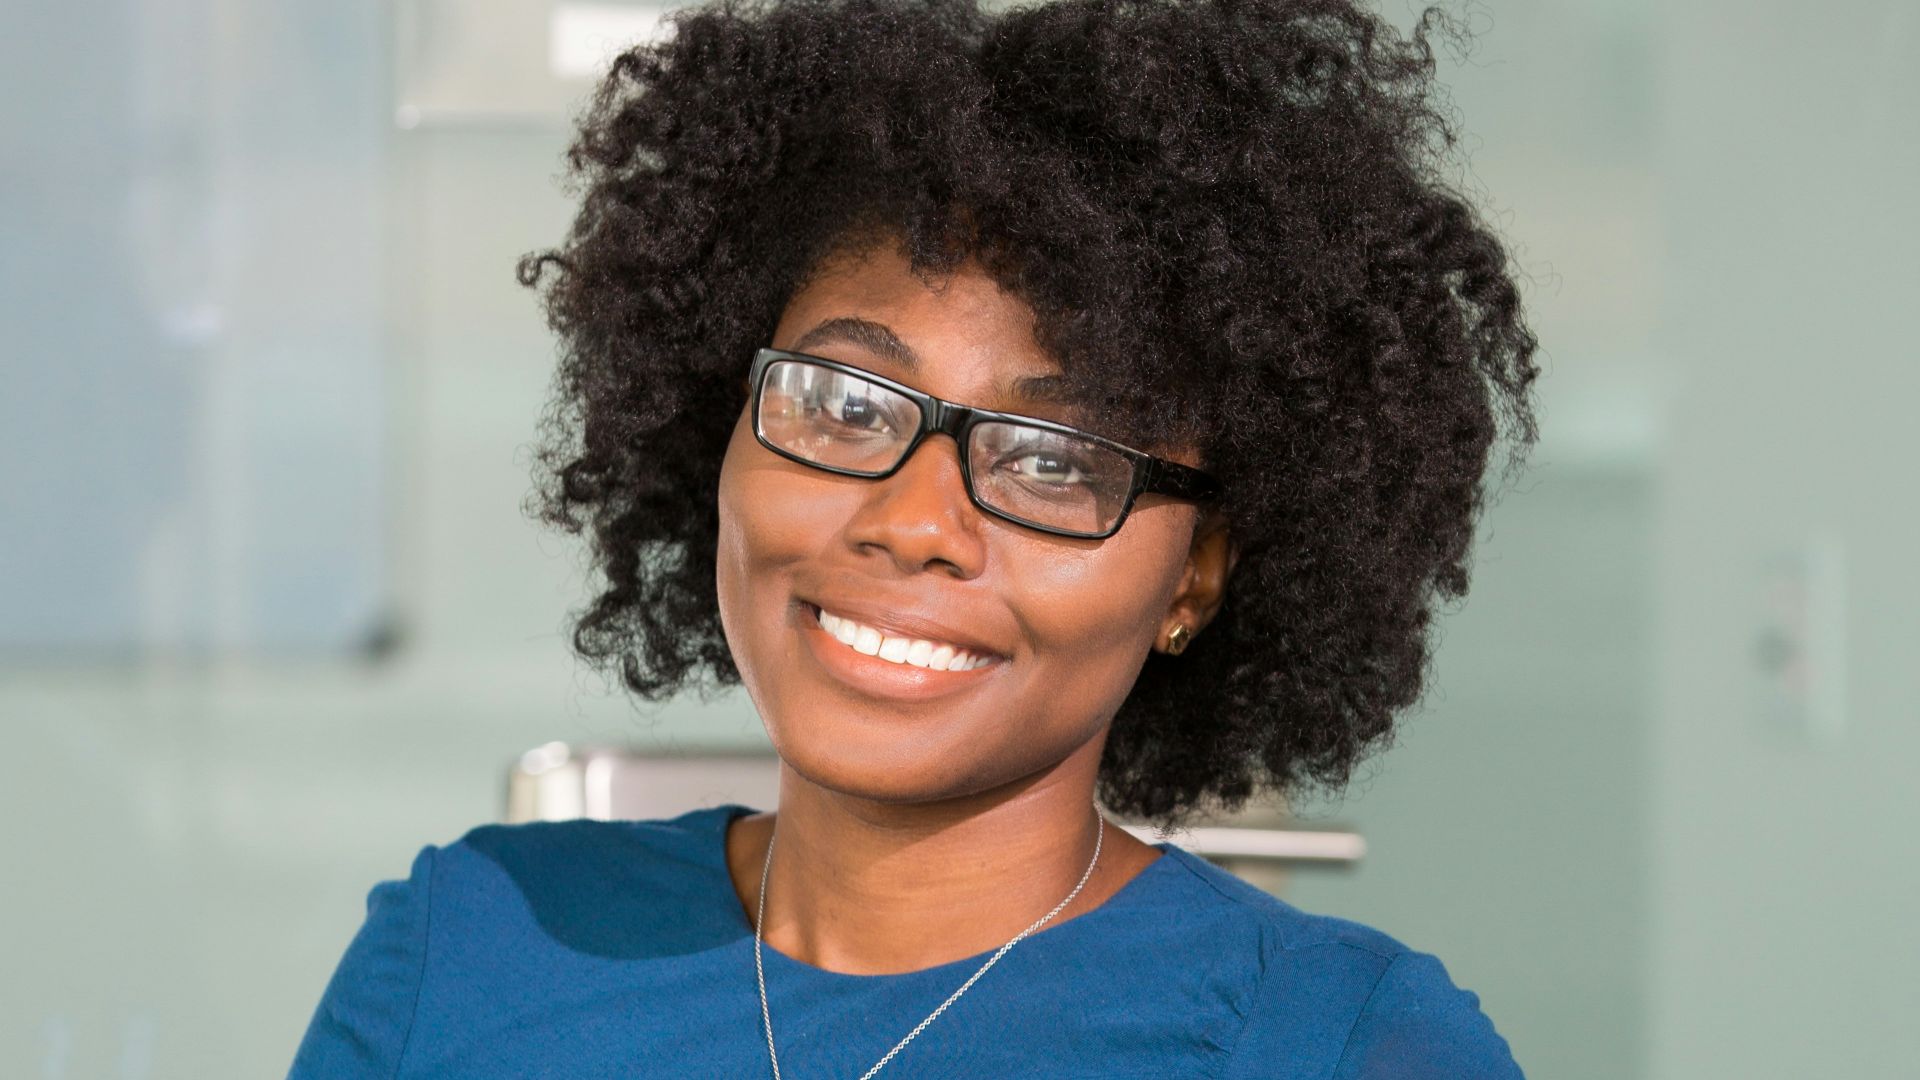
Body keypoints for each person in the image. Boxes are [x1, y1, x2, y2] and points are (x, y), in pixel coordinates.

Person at [289, 0, 1541, 1074]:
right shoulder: (468, 951)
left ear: (1196, 577)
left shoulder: (1332, 1046)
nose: (913, 522)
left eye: (1053, 461)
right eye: (844, 403)